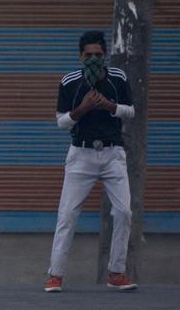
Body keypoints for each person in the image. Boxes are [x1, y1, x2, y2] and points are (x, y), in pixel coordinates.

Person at [44, 31, 136, 292]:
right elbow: (61, 121)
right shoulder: (70, 82)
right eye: (88, 55)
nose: (93, 59)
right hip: (81, 154)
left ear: (104, 55)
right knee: (67, 214)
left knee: (124, 212)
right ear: (80, 56)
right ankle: (55, 274)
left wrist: (109, 106)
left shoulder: (118, 78)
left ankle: (116, 272)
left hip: (112, 153)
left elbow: (130, 111)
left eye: (98, 54)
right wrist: (82, 109)